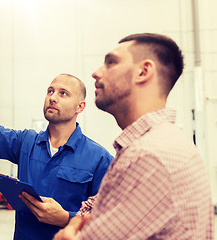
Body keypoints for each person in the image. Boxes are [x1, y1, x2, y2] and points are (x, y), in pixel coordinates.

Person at [0, 44, 113, 239]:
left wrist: (66, 218)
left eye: (63, 93)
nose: (53, 98)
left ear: (79, 107)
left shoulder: (99, 159)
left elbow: (108, 218)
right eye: (50, 91)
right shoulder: (27, 142)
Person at [53, 33, 214, 240]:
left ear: (143, 72)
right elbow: (99, 203)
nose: (96, 73)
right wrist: (76, 220)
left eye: (111, 62)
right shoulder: (152, 143)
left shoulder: (150, 157)